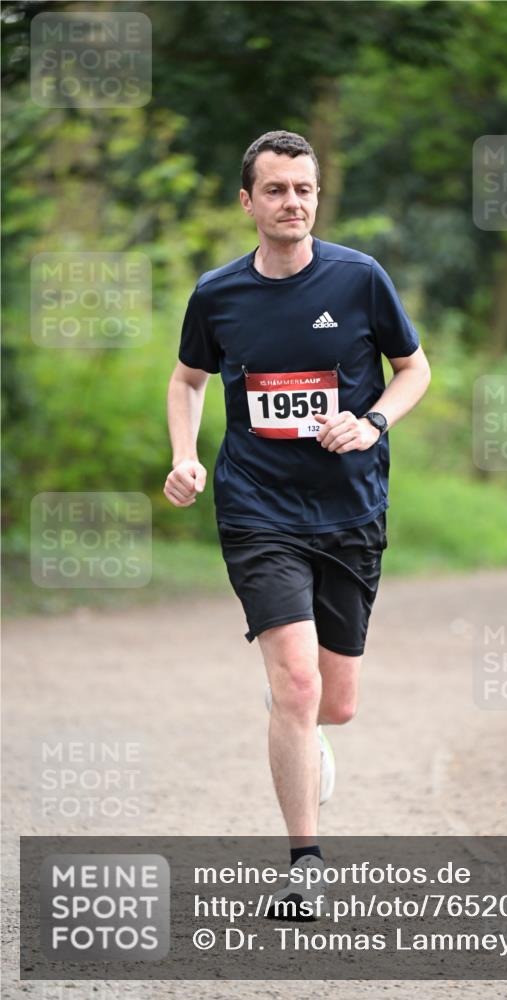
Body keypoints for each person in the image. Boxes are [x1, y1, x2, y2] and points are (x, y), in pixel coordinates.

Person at [164, 130, 430, 916]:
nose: (292, 204)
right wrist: (185, 455)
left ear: (318, 196)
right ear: (247, 202)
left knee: (333, 703)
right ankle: (304, 863)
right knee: (298, 679)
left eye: (304, 190)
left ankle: (298, 723)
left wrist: (374, 421)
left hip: (349, 508)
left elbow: (412, 369)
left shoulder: (359, 280)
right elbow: (187, 380)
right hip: (257, 506)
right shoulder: (218, 295)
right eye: (276, 190)